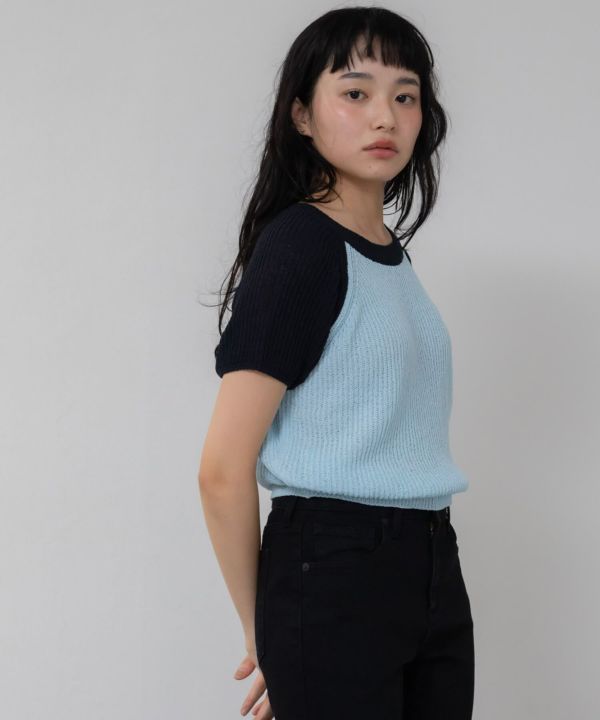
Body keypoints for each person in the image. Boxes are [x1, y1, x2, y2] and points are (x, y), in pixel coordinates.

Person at [198, 6, 475, 719]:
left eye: (405, 96)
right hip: (334, 568)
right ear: (301, 114)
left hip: (431, 565)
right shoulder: (302, 248)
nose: (385, 116)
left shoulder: (388, 257)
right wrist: (265, 629)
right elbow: (222, 469)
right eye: (355, 92)